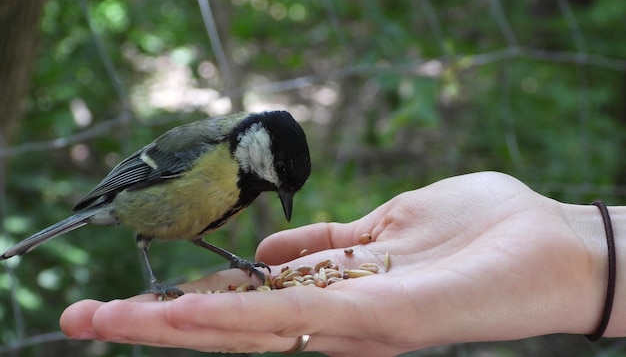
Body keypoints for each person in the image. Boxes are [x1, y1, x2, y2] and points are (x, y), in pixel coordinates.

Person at [59, 171, 624, 356]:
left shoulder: (236, 180)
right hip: (129, 205)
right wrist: (584, 248)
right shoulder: (207, 152)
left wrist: (583, 248)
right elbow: (137, 177)